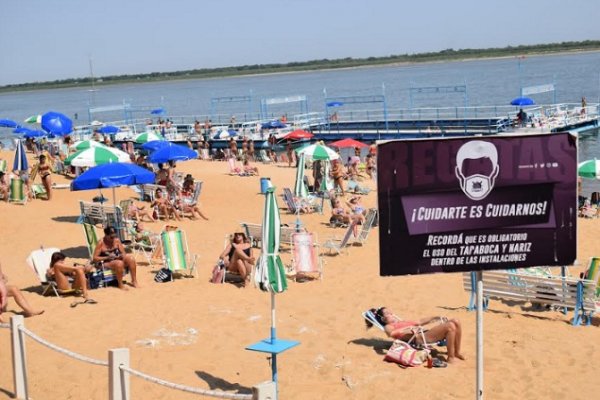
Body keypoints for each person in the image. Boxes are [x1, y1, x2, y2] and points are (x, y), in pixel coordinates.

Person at [366, 306, 465, 364]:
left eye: (390, 312)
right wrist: (407, 329)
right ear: (383, 319)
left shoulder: (402, 321)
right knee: (450, 326)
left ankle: (457, 352)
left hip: (424, 332)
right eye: (388, 313)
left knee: (456, 321)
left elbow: (419, 321)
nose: (391, 313)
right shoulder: (389, 326)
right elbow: (391, 334)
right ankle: (451, 357)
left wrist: (436, 317)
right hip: (420, 338)